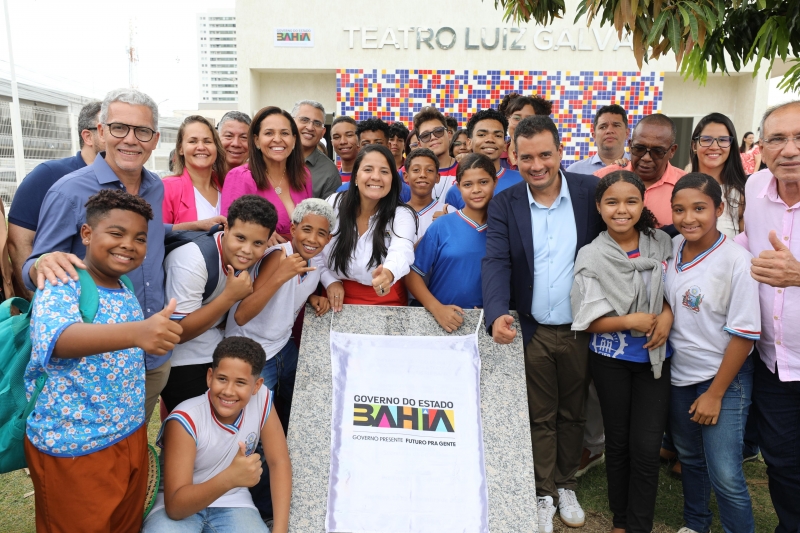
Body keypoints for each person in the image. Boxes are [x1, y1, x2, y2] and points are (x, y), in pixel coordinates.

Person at [24, 189, 181, 533]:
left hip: (128, 436)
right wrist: (138, 333)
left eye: (140, 239)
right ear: (86, 234)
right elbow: (59, 339)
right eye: (116, 233)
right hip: (75, 447)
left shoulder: (124, 285)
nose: (129, 244)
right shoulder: (63, 281)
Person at [21, 88, 179, 423]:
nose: (131, 140)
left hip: (153, 356)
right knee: (96, 456)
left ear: (155, 140)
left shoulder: (156, 186)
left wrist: (193, 227)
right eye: (120, 128)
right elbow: (39, 264)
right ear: (101, 132)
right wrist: (39, 265)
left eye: (142, 131)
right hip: (95, 362)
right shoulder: (69, 190)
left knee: (131, 447)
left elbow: (147, 239)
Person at [482, 115, 602, 533]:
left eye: (545, 155)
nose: (537, 165)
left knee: (573, 413)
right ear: (513, 157)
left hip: (582, 329)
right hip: (531, 329)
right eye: (527, 157)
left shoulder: (590, 193)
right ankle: (542, 492)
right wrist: (497, 311)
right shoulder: (505, 202)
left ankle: (565, 483)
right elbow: (496, 259)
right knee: (538, 415)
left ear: (560, 151)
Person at [570, 171, 673, 533]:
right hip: (611, 360)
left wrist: (667, 314)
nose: (621, 210)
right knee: (618, 442)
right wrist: (631, 320)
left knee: (645, 448)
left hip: (655, 361)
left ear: (643, 203)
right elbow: (586, 319)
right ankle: (620, 520)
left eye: (631, 201)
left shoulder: (662, 243)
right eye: (611, 202)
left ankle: (639, 525)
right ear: (599, 207)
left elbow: (675, 289)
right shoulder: (592, 254)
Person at [665, 173, 759, 533]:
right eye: (679, 209)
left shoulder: (738, 261)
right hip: (680, 376)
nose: (688, 218)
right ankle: (696, 523)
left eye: (699, 208)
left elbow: (745, 335)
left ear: (719, 209)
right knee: (690, 458)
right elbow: (669, 297)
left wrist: (715, 394)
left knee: (725, 473)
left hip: (723, 380)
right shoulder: (673, 247)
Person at [143, 337, 291, 533]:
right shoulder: (185, 418)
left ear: (256, 386)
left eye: (240, 382)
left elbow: (279, 462)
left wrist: (279, 530)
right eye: (222, 379)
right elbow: (175, 508)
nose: (228, 391)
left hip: (234, 500)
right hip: (180, 504)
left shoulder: (262, 398)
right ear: (209, 377)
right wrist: (230, 478)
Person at [736, 100, 800, 533]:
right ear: (761, 147)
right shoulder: (757, 189)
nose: (789, 149)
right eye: (777, 138)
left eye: (799, 138)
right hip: (775, 362)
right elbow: (747, 239)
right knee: (781, 462)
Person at [227, 198, 339, 429]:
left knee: (295, 409)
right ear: (293, 229)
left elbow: (294, 287)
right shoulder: (279, 256)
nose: (312, 239)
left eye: (321, 233)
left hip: (283, 346)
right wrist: (281, 275)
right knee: (253, 423)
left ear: (328, 239)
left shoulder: (314, 261)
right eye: (306, 229)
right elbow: (241, 315)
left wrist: (311, 296)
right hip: (253, 351)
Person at [161, 195, 277, 412]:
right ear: (226, 229)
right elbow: (178, 332)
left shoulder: (244, 258)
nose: (247, 250)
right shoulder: (192, 259)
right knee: (197, 426)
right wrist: (229, 298)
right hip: (181, 359)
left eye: (258, 243)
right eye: (240, 238)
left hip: (216, 348)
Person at [7, 100, 105, 299]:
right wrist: (39, 302)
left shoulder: (128, 181)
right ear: (88, 136)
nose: (122, 137)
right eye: (110, 128)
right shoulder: (48, 175)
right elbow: (18, 243)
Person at [407, 153, 495, 332]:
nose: (476, 189)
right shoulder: (442, 226)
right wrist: (436, 308)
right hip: (441, 321)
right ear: (458, 187)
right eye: (468, 184)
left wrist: (496, 309)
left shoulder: (503, 228)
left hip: (486, 324)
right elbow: (412, 274)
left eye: (483, 182)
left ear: (495, 182)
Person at [322, 144, 417, 307]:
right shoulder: (333, 203)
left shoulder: (402, 214)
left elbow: (402, 250)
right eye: (368, 169)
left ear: (393, 179)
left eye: (384, 171)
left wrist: (388, 274)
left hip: (385, 297)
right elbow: (314, 248)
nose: (376, 177)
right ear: (356, 176)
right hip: (334, 296)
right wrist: (329, 280)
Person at [221, 106, 312, 245]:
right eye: (269, 133)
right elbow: (229, 232)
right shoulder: (240, 177)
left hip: (300, 261)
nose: (277, 139)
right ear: (256, 140)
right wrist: (261, 235)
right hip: (256, 263)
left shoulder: (303, 175)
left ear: (294, 140)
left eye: (284, 133)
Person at [595, 114, 686, 228]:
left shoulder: (687, 186)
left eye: (657, 151)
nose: (646, 158)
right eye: (639, 149)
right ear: (629, 145)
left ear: (672, 151)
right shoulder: (601, 178)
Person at [162, 115, 228, 227]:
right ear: (180, 149)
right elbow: (155, 234)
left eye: (207, 141)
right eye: (193, 141)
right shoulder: (167, 188)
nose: (201, 147)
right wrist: (196, 227)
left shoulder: (227, 184)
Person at [447, 108, 523, 204]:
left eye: (498, 135)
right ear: (469, 143)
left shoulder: (522, 182)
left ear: (504, 144)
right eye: (482, 135)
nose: (490, 139)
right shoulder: (455, 192)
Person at [689, 113, 747, 238]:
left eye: (723, 140)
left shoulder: (742, 194)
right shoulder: (679, 187)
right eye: (706, 139)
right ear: (694, 145)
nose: (714, 147)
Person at [291, 100, 341, 199]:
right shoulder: (275, 157)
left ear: (323, 132)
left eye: (317, 123)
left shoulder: (329, 172)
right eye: (304, 120)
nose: (310, 127)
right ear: (291, 123)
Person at [567, 104, 630, 175]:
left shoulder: (639, 169)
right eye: (603, 127)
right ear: (594, 135)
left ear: (627, 133)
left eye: (616, 125)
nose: (609, 130)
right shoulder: (574, 171)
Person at [403, 148, 450, 240]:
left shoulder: (450, 213)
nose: (423, 175)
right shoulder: (394, 214)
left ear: (437, 177)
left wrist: (449, 226)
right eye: (416, 170)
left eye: (429, 170)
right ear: (406, 177)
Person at [498, 92, 553, 170]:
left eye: (529, 119)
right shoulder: (494, 155)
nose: (521, 124)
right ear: (507, 120)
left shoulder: (548, 159)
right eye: (516, 118)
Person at [414, 107, 459, 201]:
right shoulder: (409, 174)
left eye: (438, 131)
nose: (433, 137)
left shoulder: (465, 169)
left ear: (449, 134)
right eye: (425, 135)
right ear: (419, 144)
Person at [331, 116, 358, 182]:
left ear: (359, 138)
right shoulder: (331, 179)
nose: (343, 141)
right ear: (332, 143)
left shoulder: (369, 176)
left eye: (349, 135)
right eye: (337, 137)